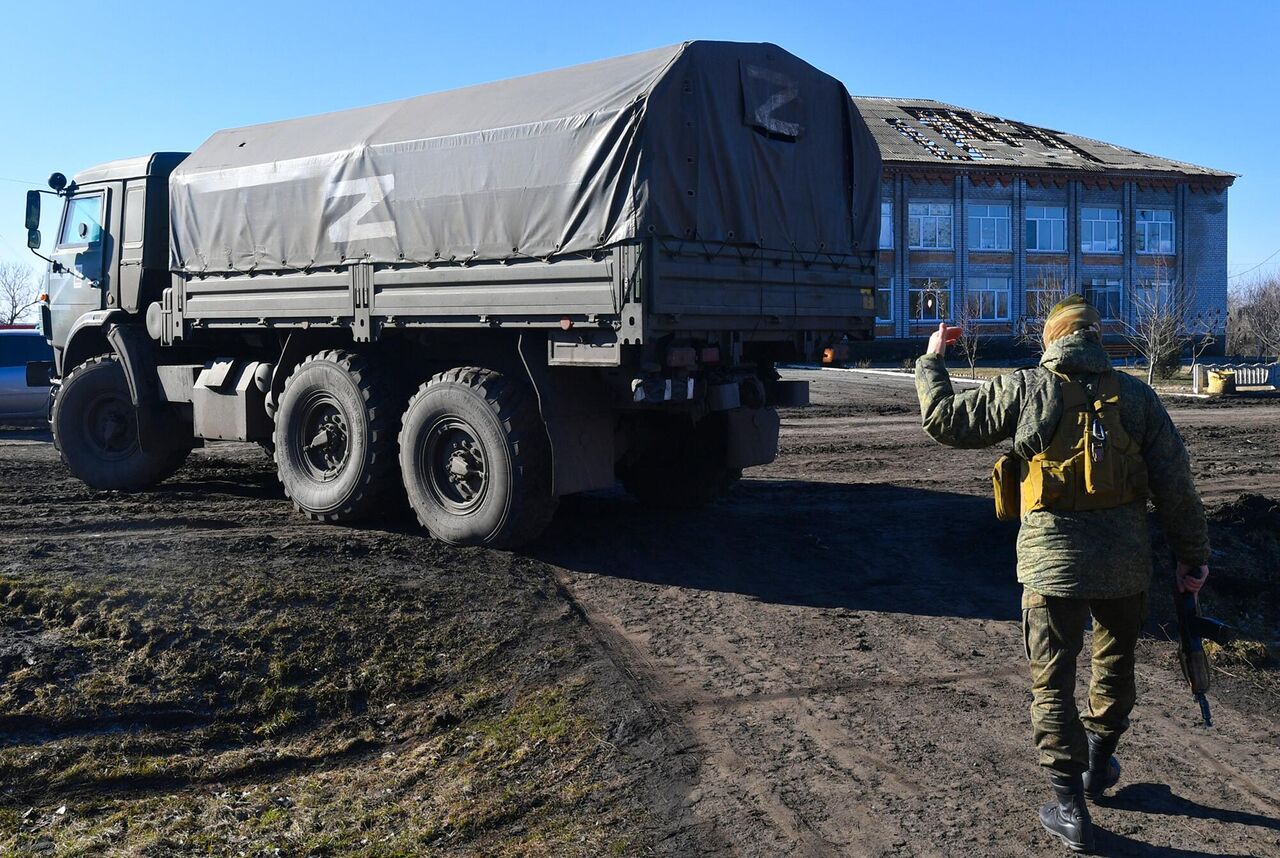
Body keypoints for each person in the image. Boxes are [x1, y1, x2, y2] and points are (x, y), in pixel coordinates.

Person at [914, 295, 1210, 853]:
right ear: (1097, 339)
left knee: (1052, 681)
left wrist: (932, 360)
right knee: (1116, 666)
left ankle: (1070, 806)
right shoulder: (1139, 397)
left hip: (1052, 565)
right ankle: (1100, 763)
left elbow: (944, 421)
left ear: (1051, 339)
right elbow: (1177, 487)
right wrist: (1192, 558)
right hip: (1126, 563)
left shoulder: (1024, 388)